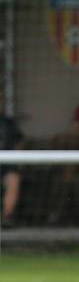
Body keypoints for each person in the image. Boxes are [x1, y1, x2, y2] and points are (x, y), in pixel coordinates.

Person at [0, 90, 24, 228]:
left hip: (7, 163)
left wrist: (18, 158)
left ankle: (7, 217)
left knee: (13, 179)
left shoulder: (9, 122)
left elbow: (19, 141)